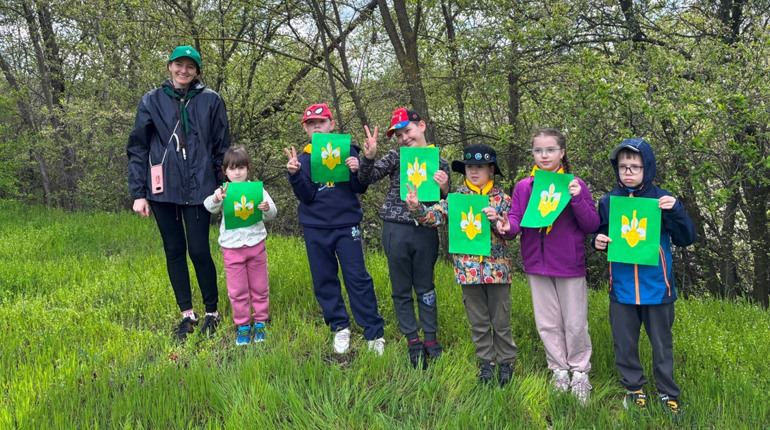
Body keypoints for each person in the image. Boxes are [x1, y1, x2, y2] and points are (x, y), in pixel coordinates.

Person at [127, 45, 231, 341]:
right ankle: (187, 314)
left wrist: (225, 183)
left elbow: (221, 145)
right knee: (174, 250)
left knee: (199, 250)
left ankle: (212, 311)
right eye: (178, 65)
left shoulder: (211, 100)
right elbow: (138, 147)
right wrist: (138, 193)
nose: (183, 71)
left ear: (197, 71)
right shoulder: (151, 100)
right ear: (169, 66)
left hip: (200, 188)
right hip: (162, 189)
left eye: (190, 66)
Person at [592, 138, 695, 419]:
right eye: (623, 167)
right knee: (624, 344)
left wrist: (677, 210)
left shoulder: (663, 201)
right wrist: (597, 241)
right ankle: (634, 390)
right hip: (622, 289)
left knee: (662, 345)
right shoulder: (608, 202)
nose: (628, 172)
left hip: (657, 289)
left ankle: (667, 394)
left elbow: (687, 238)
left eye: (635, 167)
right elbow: (600, 234)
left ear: (647, 168)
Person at [497, 128, 599, 403]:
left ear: (562, 152)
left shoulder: (575, 183)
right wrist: (506, 227)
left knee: (575, 322)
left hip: (568, 264)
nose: (544, 155)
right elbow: (516, 221)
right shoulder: (524, 186)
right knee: (547, 323)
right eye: (538, 150)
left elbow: (591, 224)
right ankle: (559, 370)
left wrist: (577, 197)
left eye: (550, 150)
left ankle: (580, 372)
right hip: (536, 264)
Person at [406, 144, 518, 386]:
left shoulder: (503, 199)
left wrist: (498, 222)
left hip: (497, 271)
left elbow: (511, 233)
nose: (474, 172)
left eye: (479, 167)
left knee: (501, 321)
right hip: (467, 272)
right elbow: (432, 217)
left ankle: (506, 363)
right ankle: (486, 363)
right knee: (478, 321)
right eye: (469, 167)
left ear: (491, 170)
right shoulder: (456, 199)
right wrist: (416, 208)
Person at [284, 103, 386, 355]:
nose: (316, 126)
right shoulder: (304, 159)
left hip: (346, 224)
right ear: (306, 129)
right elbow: (306, 197)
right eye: (311, 123)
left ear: (332, 123)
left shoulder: (348, 150)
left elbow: (360, 188)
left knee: (357, 277)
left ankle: (373, 331)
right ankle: (339, 326)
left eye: (321, 121)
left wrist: (358, 167)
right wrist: (295, 175)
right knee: (324, 278)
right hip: (315, 227)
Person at [358, 108, 451, 369]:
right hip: (394, 230)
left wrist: (445, 187)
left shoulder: (439, 162)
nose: (404, 138)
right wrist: (368, 157)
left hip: (425, 232)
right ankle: (412, 339)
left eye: (407, 131)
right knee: (401, 288)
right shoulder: (396, 157)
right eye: (398, 135)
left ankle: (430, 339)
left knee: (426, 287)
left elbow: (448, 204)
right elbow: (367, 178)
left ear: (421, 126)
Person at [204, 146, 276, 345]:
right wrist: (217, 198)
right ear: (225, 171)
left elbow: (272, 214)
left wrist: (267, 208)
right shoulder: (223, 191)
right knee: (237, 291)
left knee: (260, 287)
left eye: (241, 167)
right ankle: (243, 325)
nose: (237, 172)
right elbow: (209, 206)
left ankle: (260, 320)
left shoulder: (257, 189)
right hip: (232, 248)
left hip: (256, 245)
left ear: (248, 168)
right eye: (232, 168)